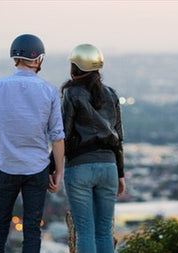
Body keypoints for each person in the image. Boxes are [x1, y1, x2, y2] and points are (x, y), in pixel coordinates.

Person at [0, 34, 65, 253]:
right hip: (37, 169)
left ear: (15, 57)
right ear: (38, 59)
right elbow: (57, 138)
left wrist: (0, 155)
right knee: (32, 228)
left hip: (6, 166)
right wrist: (58, 174)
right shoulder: (49, 90)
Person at [61, 43, 125, 253]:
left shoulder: (71, 94)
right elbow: (119, 138)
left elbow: (63, 133)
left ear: (75, 68)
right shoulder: (112, 94)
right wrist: (121, 174)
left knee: (86, 232)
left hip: (79, 167)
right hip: (109, 168)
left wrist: (54, 168)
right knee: (104, 231)